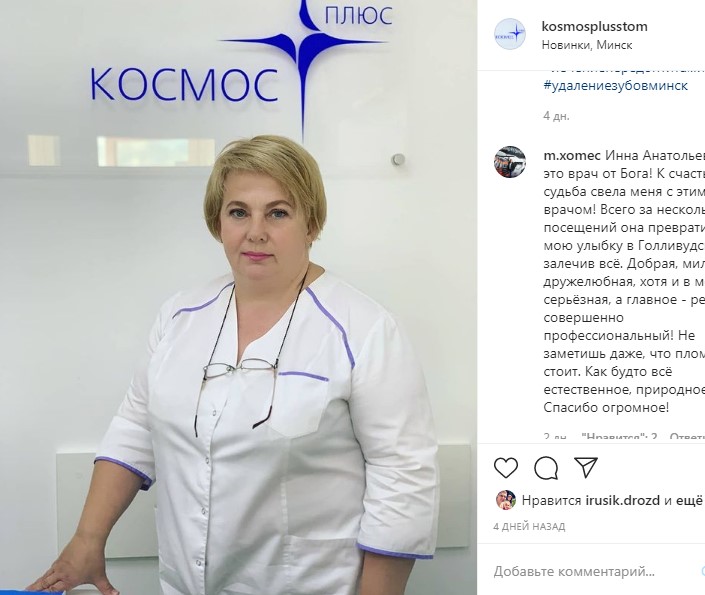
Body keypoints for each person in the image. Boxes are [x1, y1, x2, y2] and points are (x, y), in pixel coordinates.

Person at [27, 135, 439, 595]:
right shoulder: (180, 316)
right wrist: (88, 540)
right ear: (217, 222)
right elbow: (136, 425)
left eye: (278, 213)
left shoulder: (364, 329)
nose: (255, 232)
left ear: (311, 223)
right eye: (239, 212)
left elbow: (402, 477)